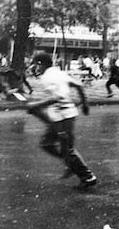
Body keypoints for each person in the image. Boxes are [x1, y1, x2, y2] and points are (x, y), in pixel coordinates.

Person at [26, 52, 97, 188]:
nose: (34, 68)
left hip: (63, 117)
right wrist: (85, 104)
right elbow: (79, 86)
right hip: (62, 116)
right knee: (47, 144)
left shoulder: (47, 77)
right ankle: (71, 163)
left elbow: (57, 97)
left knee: (67, 149)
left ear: (41, 64)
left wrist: (35, 105)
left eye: (35, 64)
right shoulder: (59, 73)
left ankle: (87, 176)